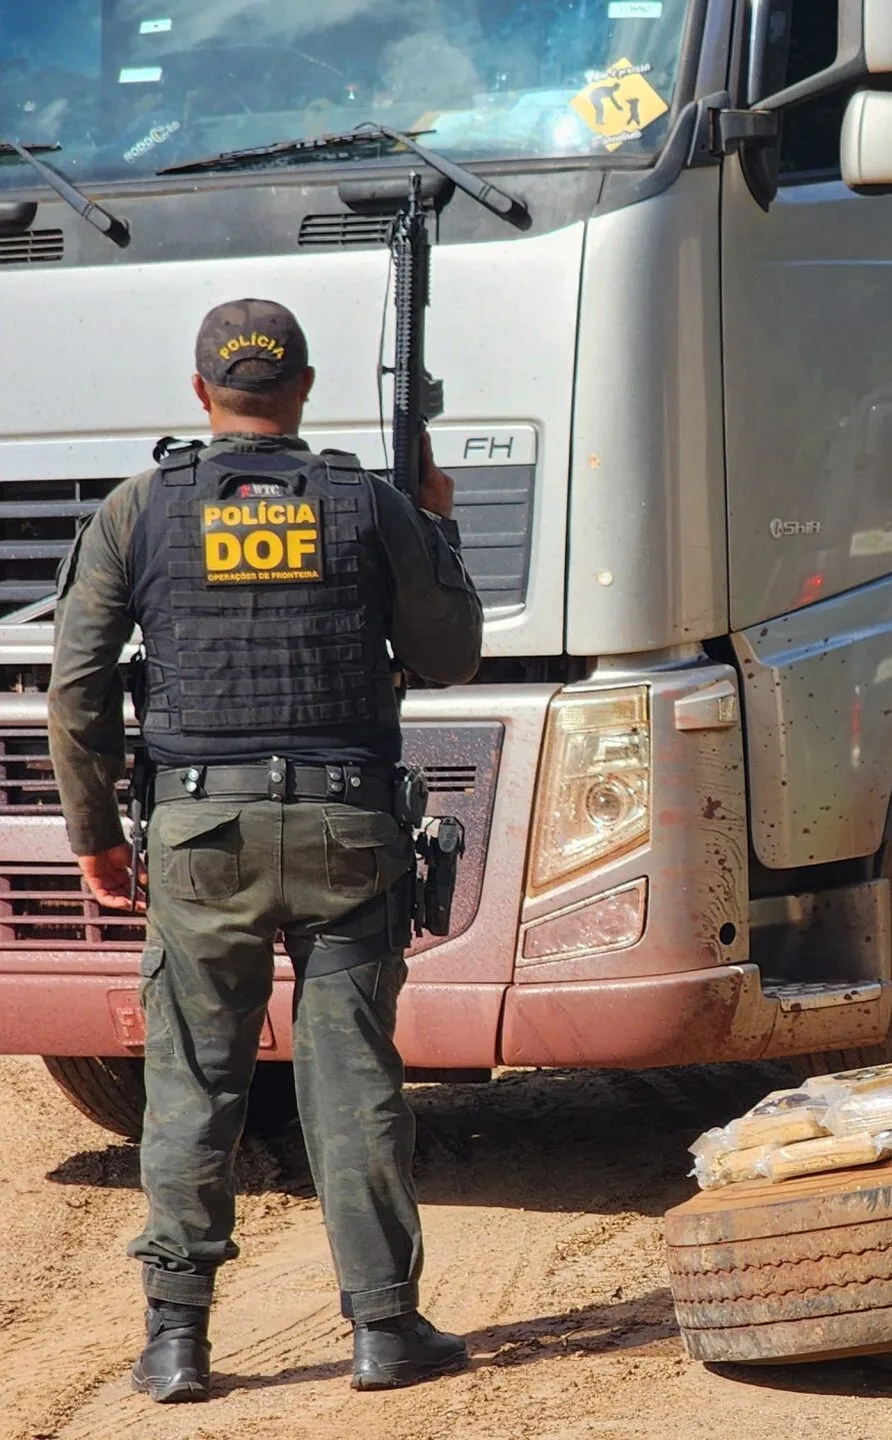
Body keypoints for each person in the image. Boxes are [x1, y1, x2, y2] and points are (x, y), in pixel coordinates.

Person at [48, 299, 484, 1402]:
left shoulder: (141, 510)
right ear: (303, 389)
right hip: (347, 828)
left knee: (192, 1082)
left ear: (203, 394)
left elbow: (78, 687)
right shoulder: (366, 504)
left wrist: (94, 832)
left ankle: (177, 1342)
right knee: (354, 1083)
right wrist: (435, 523)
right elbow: (450, 654)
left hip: (202, 833)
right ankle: (385, 1330)